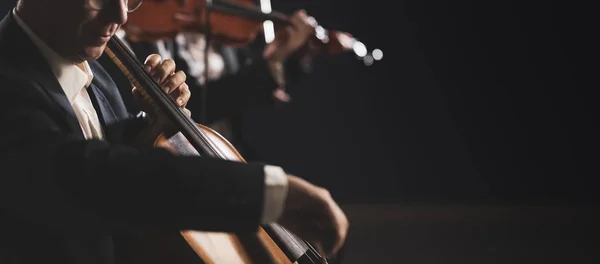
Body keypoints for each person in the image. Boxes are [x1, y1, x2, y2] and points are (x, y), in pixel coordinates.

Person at [0, 1, 348, 264]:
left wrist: (154, 128)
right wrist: (266, 194)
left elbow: (99, 142)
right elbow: (94, 177)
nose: (121, 16)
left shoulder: (92, 66)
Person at [98, 4, 319, 160]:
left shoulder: (222, 31)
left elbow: (249, 85)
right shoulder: (144, 28)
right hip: (181, 161)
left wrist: (292, 53)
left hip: (231, 152)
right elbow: (197, 104)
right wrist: (273, 61)